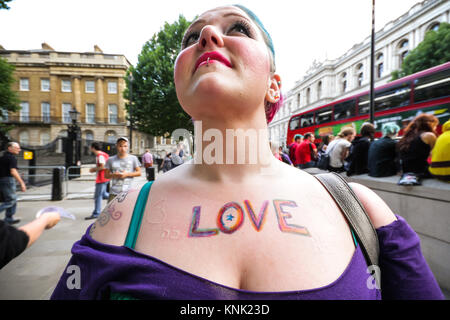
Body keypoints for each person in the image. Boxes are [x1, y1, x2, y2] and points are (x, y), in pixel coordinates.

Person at [51, 5, 443, 300]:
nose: (207, 35)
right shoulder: (121, 216)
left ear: (274, 86)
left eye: (237, 28)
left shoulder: (359, 208)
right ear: (179, 85)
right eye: (191, 39)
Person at [398, 114, 438, 179]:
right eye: (435, 125)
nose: (435, 128)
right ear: (430, 124)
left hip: (407, 172)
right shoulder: (429, 135)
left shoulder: (407, 137)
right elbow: (435, 154)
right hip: (422, 172)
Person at [104, 137, 141, 203]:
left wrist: (127, 174)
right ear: (117, 146)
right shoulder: (110, 159)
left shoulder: (133, 158)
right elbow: (106, 175)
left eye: (125, 146)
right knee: (110, 212)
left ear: (128, 147)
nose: (122, 148)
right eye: (120, 146)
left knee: (128, 212)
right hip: (114, 192)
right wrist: (114, 175)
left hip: (128, 192)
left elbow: (139, 173)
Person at [0, 142, 26, 225]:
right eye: (17, 147)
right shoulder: (11, 158)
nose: (19, 149)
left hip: (3, 180)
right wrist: (22, 183)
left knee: (13, 199)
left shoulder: (3, 157)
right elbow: (13, 171)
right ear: (10, 148)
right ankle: (9, 218)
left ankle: (9, 218)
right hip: (8, 180)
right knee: (11, 200)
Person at [85, 142, 110, 220]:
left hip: (101, 178)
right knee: (104, 194)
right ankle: (117, 197)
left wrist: (93, 169)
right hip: (105, 177)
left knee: (97, 196)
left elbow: (103, 166)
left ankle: (96, 213)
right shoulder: (105, 154)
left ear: (93, 148)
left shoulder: (100, 155)